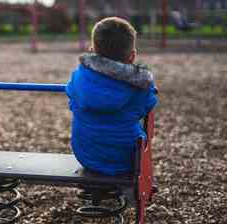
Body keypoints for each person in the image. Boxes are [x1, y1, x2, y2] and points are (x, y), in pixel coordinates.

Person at [66, 17, 158, 176]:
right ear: (132, 56)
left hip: (86, 155)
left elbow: (71, 97)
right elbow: (148, 105)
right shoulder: (140, 85)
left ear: (93, 50)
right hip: (126, 159)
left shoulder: (78, 77)